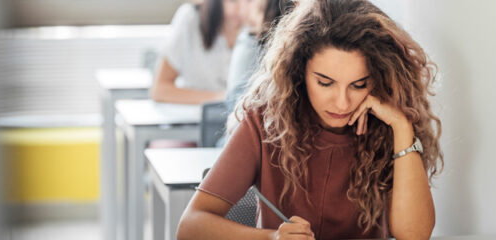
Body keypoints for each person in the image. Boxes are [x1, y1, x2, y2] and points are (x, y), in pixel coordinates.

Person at [177, 0, 444, 239]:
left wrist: (401, 127)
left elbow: (415, 235)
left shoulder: (388, 127)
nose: (342, 103)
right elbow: (190, 226)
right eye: (325, 83)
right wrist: (272, 238)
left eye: (359, 84)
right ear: (299, 71)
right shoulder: (264, 122)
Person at [150, 0, 248, 104]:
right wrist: (219, 99)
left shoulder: (258, 25)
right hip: (194, 116)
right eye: (233, 1)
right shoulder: (190, 18)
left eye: (250, 1)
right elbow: (160, 90)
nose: (242, 8)